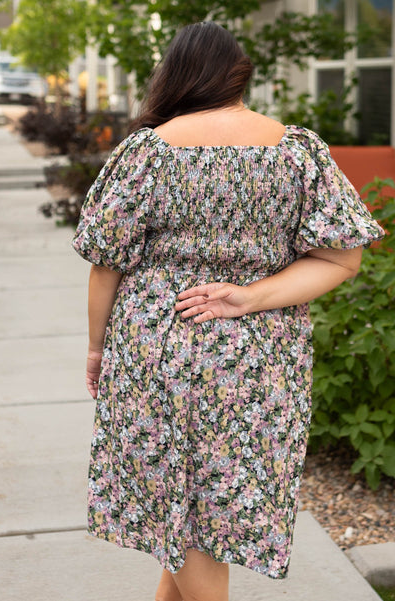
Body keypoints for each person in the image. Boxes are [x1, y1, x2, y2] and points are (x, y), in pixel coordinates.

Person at [72, 21, 385, 601]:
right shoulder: (298, 150)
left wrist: (96, 348)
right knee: (208, 507)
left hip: (158, 347)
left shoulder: (148, 152)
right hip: (262, 356)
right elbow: (344, 258)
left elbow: (104, 264)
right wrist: (250, 296)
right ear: (241, 75)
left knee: (181, 507)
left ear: (176, 76)